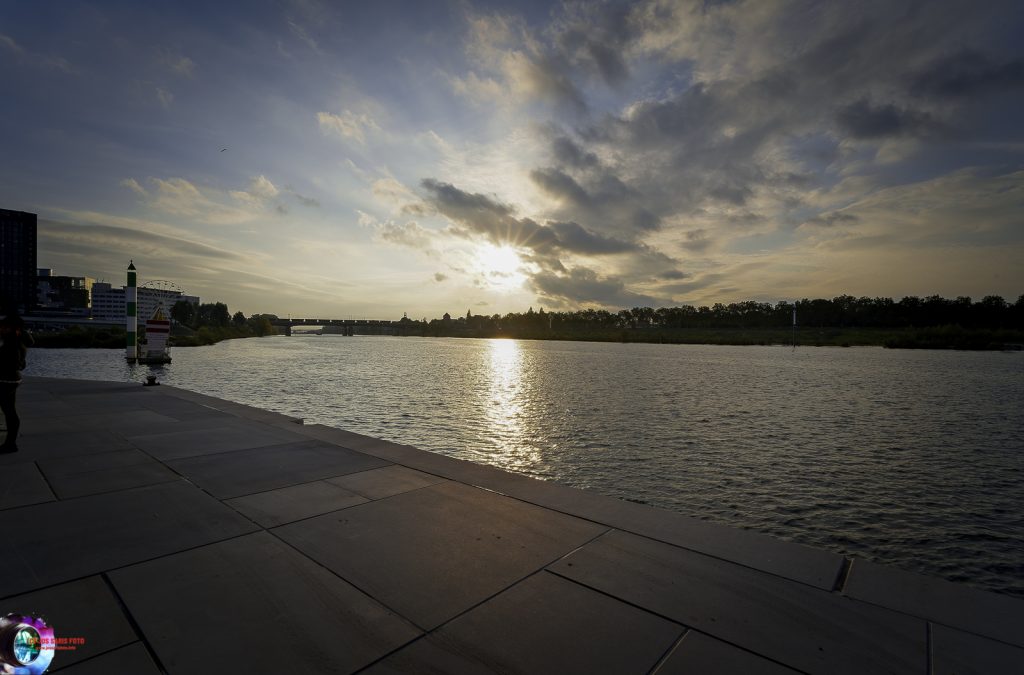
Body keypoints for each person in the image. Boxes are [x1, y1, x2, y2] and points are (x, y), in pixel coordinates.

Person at [0, 312, 32, 453]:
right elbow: (21, 364)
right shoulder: (17, 341)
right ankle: (10, 443)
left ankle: (11, 443)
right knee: (9, 411)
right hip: (12, 379)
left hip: (5, 380)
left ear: (13, 328)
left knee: (9, 411)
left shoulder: (11, 343)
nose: (2, 329)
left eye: (4, 327)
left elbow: (13, 363)